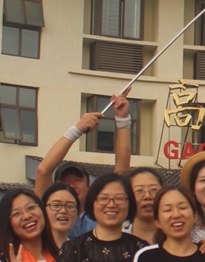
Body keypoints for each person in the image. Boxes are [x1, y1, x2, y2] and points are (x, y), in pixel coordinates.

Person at [34, 90, 132, 240]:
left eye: (77, 180)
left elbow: (121, 172)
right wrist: (77, 129)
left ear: (89, 186)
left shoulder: (102, 213)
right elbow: (43, 171)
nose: (71, 185)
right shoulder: (47, 215)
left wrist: (122, 119)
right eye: (64, 182)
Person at [125, 166, 165, 245]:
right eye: (139, 191)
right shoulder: (118, 238)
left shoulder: (178, 237)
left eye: (154, 190)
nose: (147, 196)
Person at [41, 182, 81, 249]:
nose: (63, 211)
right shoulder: (32, 248)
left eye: (70, 206)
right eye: (56, 205)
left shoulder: (80, 251)